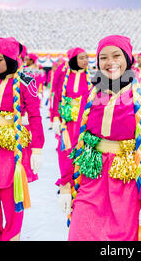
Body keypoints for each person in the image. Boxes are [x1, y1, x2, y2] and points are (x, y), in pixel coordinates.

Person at [67, 35, 141, 241]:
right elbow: (77, 144)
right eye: (103, 57)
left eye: (116, 55)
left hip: (126, 183)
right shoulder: (90, 95)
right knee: (80, 233)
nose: (110, 62)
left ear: (128, 59)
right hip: (92, 177)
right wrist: (66, 184)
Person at [0, 38, 44, 241]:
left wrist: (37, 148)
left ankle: (12, 236)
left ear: (12, 59)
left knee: (12, 196)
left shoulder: (26, 81)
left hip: (12, 149)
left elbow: (34, 115)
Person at [51, 47, 91, 210]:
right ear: (74, 59)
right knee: (65, 153)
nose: (85, 61)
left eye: (86, 58)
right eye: (81, 58)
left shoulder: (91, 77)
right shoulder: (62, 74)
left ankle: (80, 183)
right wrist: (55, 116)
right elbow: (56, 96)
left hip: (83, 124)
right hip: (67, 125)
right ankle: (66, 182)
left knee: (82, 153)